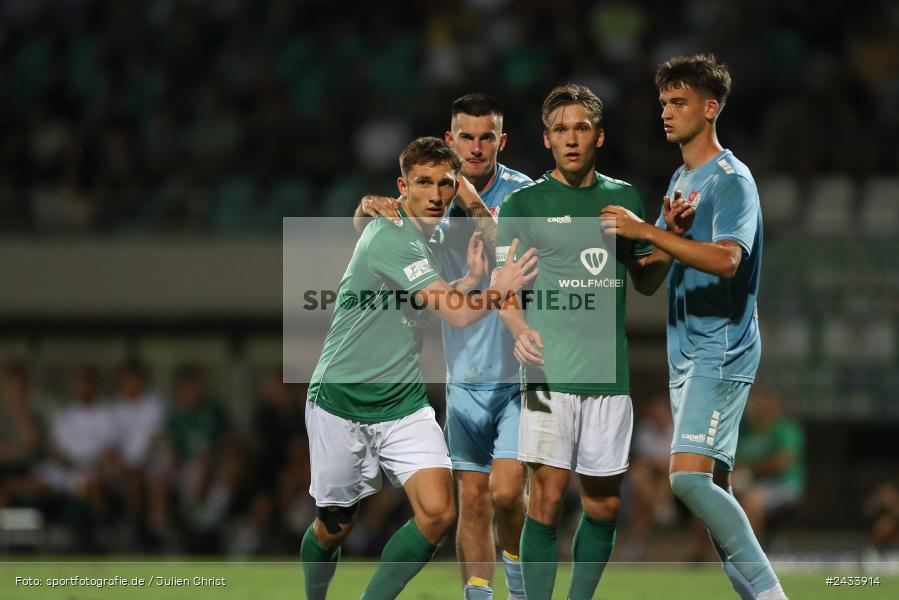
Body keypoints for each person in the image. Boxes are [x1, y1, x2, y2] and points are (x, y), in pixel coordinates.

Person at [301, 136, 537, 600]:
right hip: (341, 400)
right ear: (402, 187)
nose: (434, 193)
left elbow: (425, 301)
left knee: (437, 514)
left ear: (454, 189)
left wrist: (467, 280)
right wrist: (496, 284)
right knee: (334, 525)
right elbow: (457, 314)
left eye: (444, 184)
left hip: (402, 402)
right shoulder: (391, 235)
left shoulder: (428, 237)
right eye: (423, 183)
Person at [600, 53, 788, 599]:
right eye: (663, 102)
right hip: (687, 352)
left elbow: (730, 259)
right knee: (714, 492)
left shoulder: (732, 180)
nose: (666, 112)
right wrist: (635, 243)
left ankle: (773, 595)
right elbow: (650, 281)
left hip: (721, 347)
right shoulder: (684, 178)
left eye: (678, 102)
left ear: (710, 109)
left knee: (685, 479)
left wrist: (650, 230)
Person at [495, 83, 670, 600]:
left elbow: (645, 280)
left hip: (608, 374)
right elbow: (505, 289)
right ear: (546, 139)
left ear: (599, 135)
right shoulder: (523, 204)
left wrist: (666, 237)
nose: (571, 138)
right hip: (548, 375)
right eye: (560, 129)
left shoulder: (624, 199)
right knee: (545, 500)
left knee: (605, 506)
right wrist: (519, 327)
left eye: (581, 128)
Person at [734, 388, 805, 546]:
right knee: (711, 500)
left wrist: (751, 469)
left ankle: (754, 558)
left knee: (752, 501)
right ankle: (699, 558)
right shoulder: (745, 430)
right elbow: (735, 462)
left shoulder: (785, 428)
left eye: (765, 404)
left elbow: (782, 462)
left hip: (784, 484)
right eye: (756, 404)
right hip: (750, 483)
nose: (760, 407)